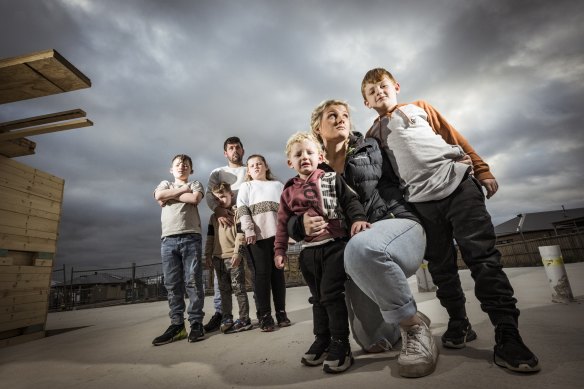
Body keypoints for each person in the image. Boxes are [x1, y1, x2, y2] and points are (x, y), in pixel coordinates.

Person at [361, 67, 540, 373]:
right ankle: (459, 322)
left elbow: (452, 135)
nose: (379, 91)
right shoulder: (373, 135)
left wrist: (482, 169)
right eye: (371, 91)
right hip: (421, 204)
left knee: (483, 259)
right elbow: (386, 179)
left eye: (383, 85)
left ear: (396, 87)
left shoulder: (420, 108)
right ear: (366, 102)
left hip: (458, 185)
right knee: (442, 269)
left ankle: (507, 334)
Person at [288, 100, 438, 378]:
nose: (341, 119)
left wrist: (460, 159)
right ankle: (406, 313)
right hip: (357, 249)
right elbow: (291, 213)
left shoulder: (370, 145)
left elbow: (411, 162)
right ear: (317, 127)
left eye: (345, 115)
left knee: (360, 248)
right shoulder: (310, 170)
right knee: (372, 342)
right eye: (332, 116)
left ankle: (414, 327)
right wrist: (300, 224)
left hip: (396, 224)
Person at [275, 132, 370, 374]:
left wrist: (358, 219)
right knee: (317, 297)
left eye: (309, 152)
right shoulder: (288, 191)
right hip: (307, 252)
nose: (304, 157)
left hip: (334, 246)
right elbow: (282, 222)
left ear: (320, 156)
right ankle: (323, 339)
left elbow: (351, 201)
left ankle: (341, 343)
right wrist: (280, 249)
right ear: (289, 162)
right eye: (297, 154)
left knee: (330, 294)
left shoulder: (331, 178)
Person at [152, 154, 206, 345]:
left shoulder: (197, 183)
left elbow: (194, 198)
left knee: (193, 282)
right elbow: (159, 196)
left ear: (191, 169)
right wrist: (183, 190)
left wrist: (172, 196)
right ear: (171, 169)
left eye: (186, 164)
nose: (181, 166)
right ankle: (177, 326)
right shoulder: (164, 183)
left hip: (191, 236)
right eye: (177, 164)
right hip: (168, 239)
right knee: (172, 284)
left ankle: (196, 323)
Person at [237, 154, 290, 332]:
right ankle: (265, 315)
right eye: (252, 165)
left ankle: (281, 313)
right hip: (257, 237)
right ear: (248, 171)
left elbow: (286, 211)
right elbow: (242, 209)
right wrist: (249, 229)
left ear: (266, 166)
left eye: (259, 164)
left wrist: (287, 235)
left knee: (278, 275)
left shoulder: (278, 185)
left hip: (277, 237)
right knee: (262, 275)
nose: (256, 167)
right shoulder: (247, 186)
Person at [204, 136, 251, 332]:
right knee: (222, 282)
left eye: (238, 147)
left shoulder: (249, 169)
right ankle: (222, 313)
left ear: (243, 150)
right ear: (225, 153)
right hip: (225, 222)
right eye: (231, 148)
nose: (235, 151)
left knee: (244, 279)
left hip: (246, 220)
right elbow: (209, 194)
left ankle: (251, 315)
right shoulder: (218, 172)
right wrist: (219, 209)